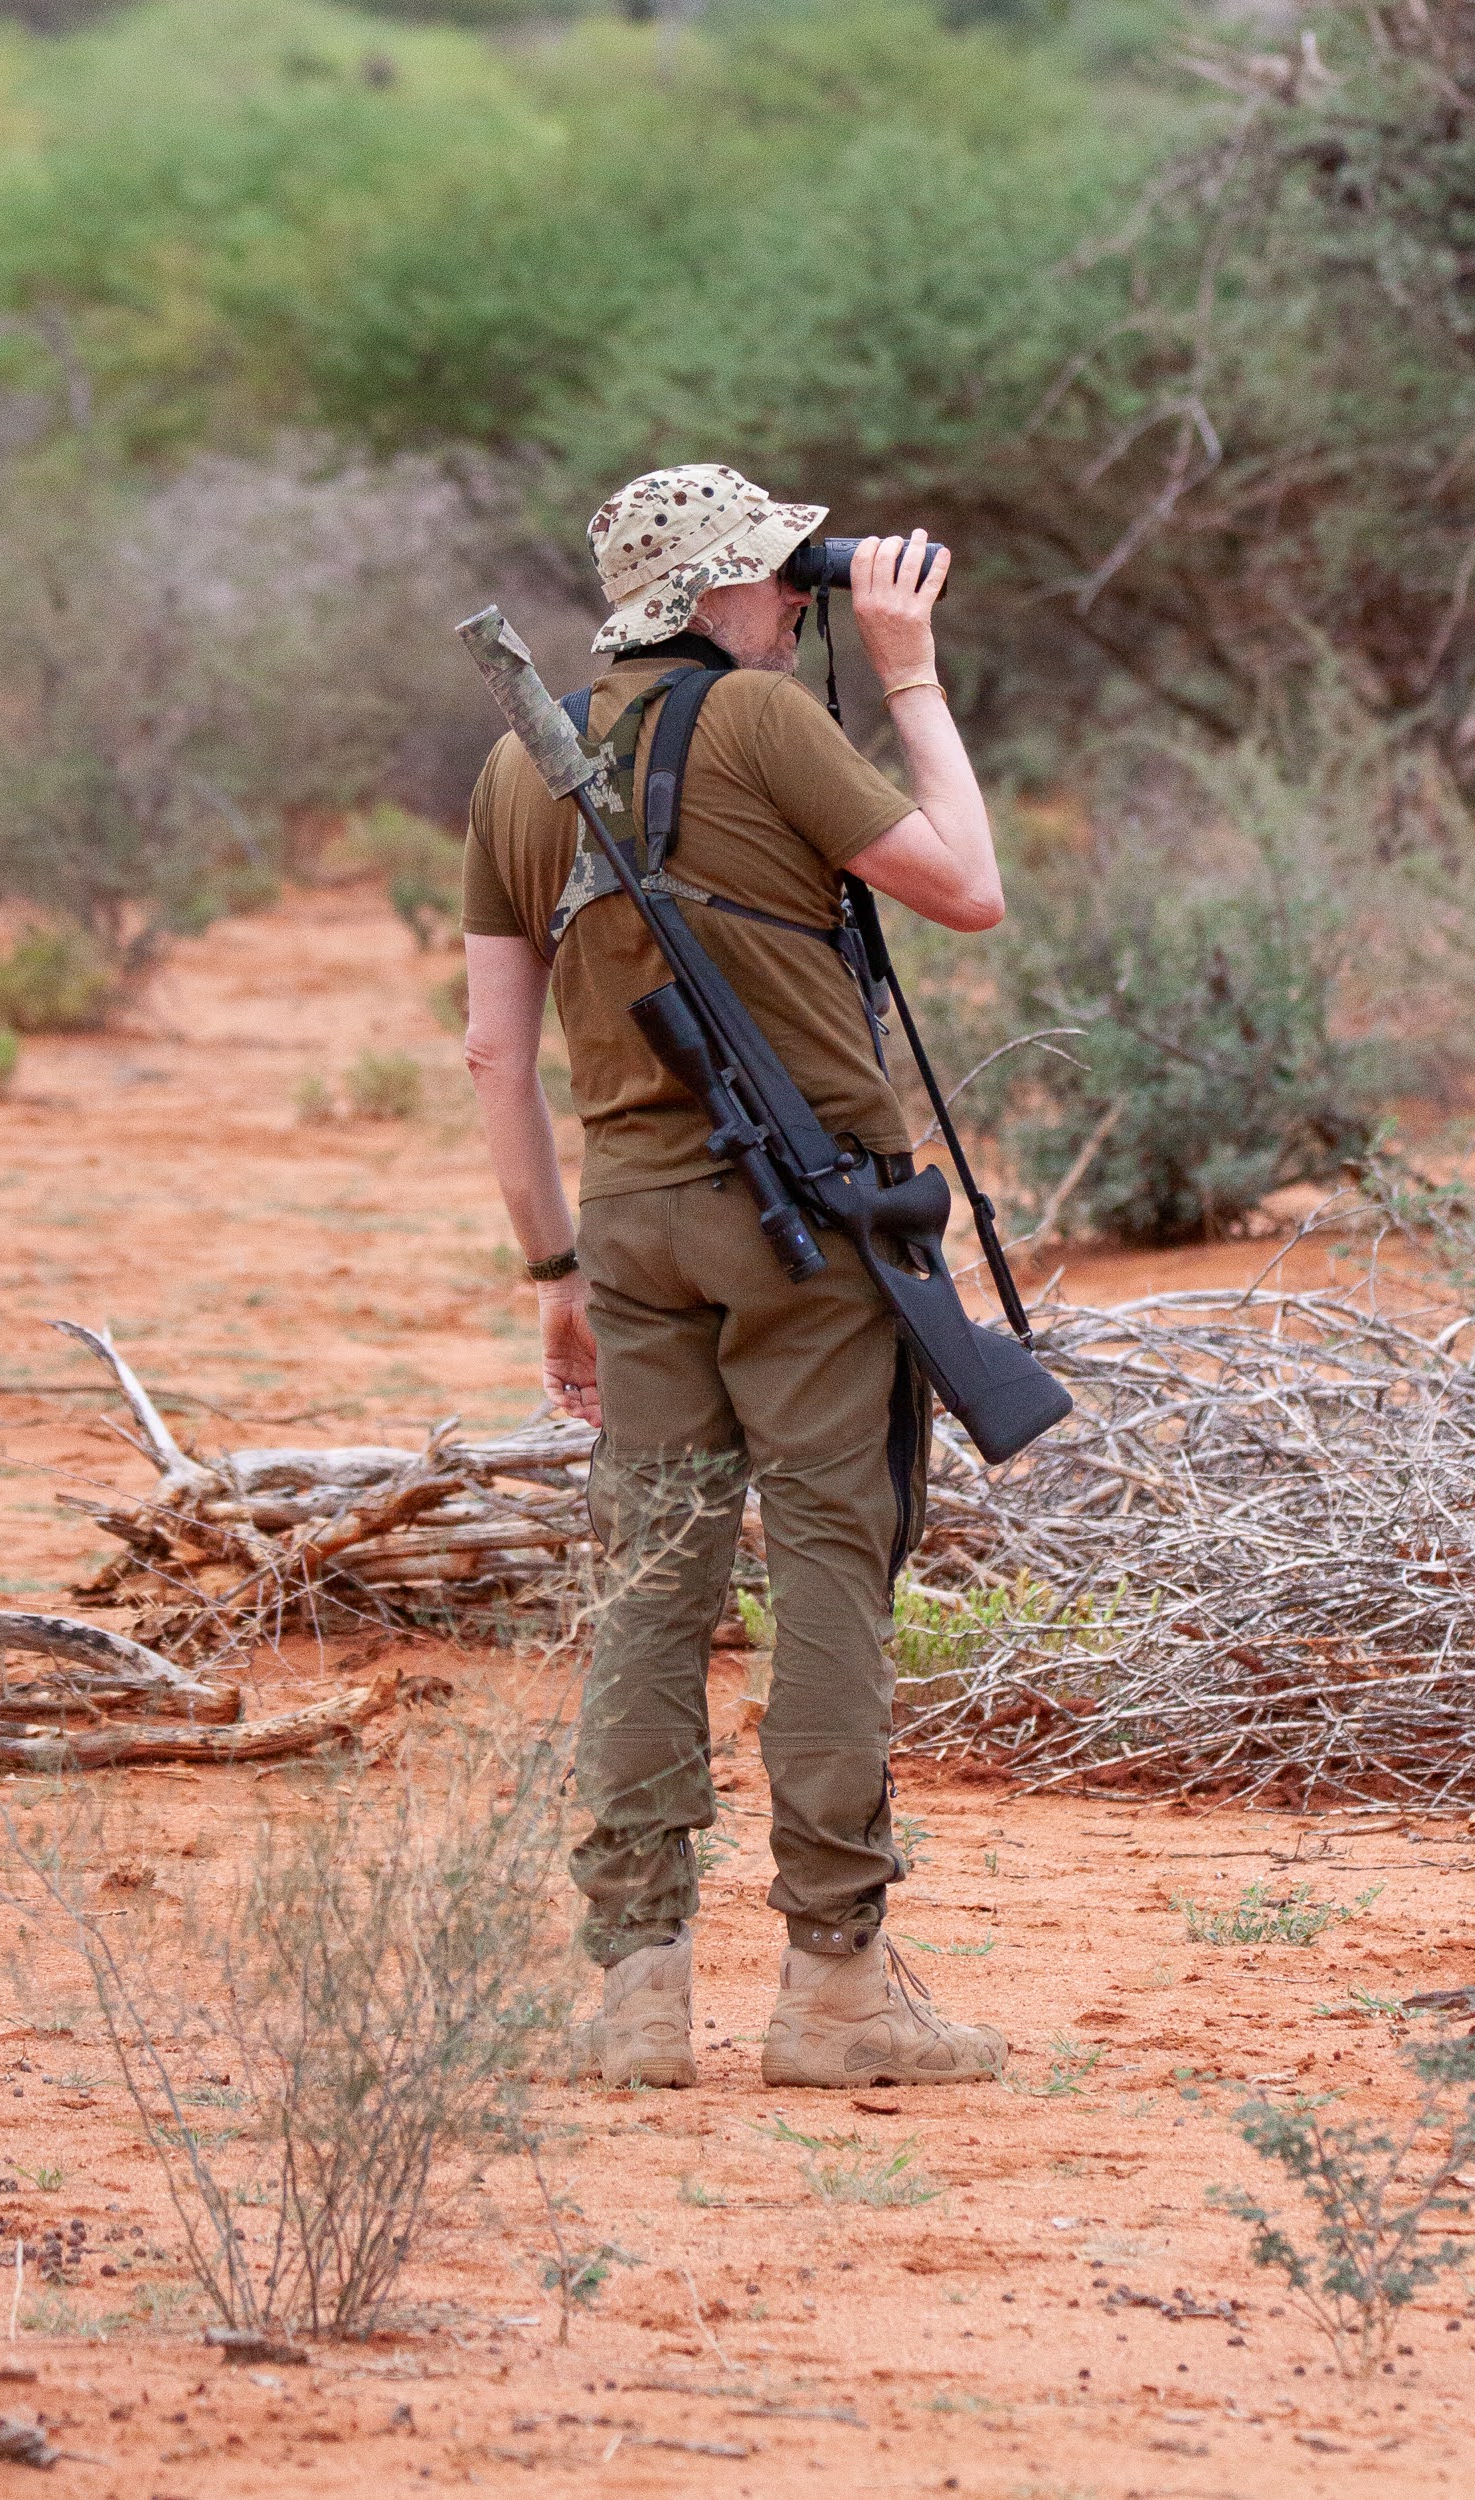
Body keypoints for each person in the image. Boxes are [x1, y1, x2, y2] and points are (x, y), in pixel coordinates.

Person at [462, 464, 1008, 2091]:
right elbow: (969, 888)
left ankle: (636, 1989)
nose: (800, 596)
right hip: (808, 1228)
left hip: (629, 1227)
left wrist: (550, 1262)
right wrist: (907, 672)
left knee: (650, 1581)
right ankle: (835, 1989)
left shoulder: (518, 760)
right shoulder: (770, 723)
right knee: (831, 1559)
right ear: (717, 593)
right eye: (783, 575)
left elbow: (495, 1050)